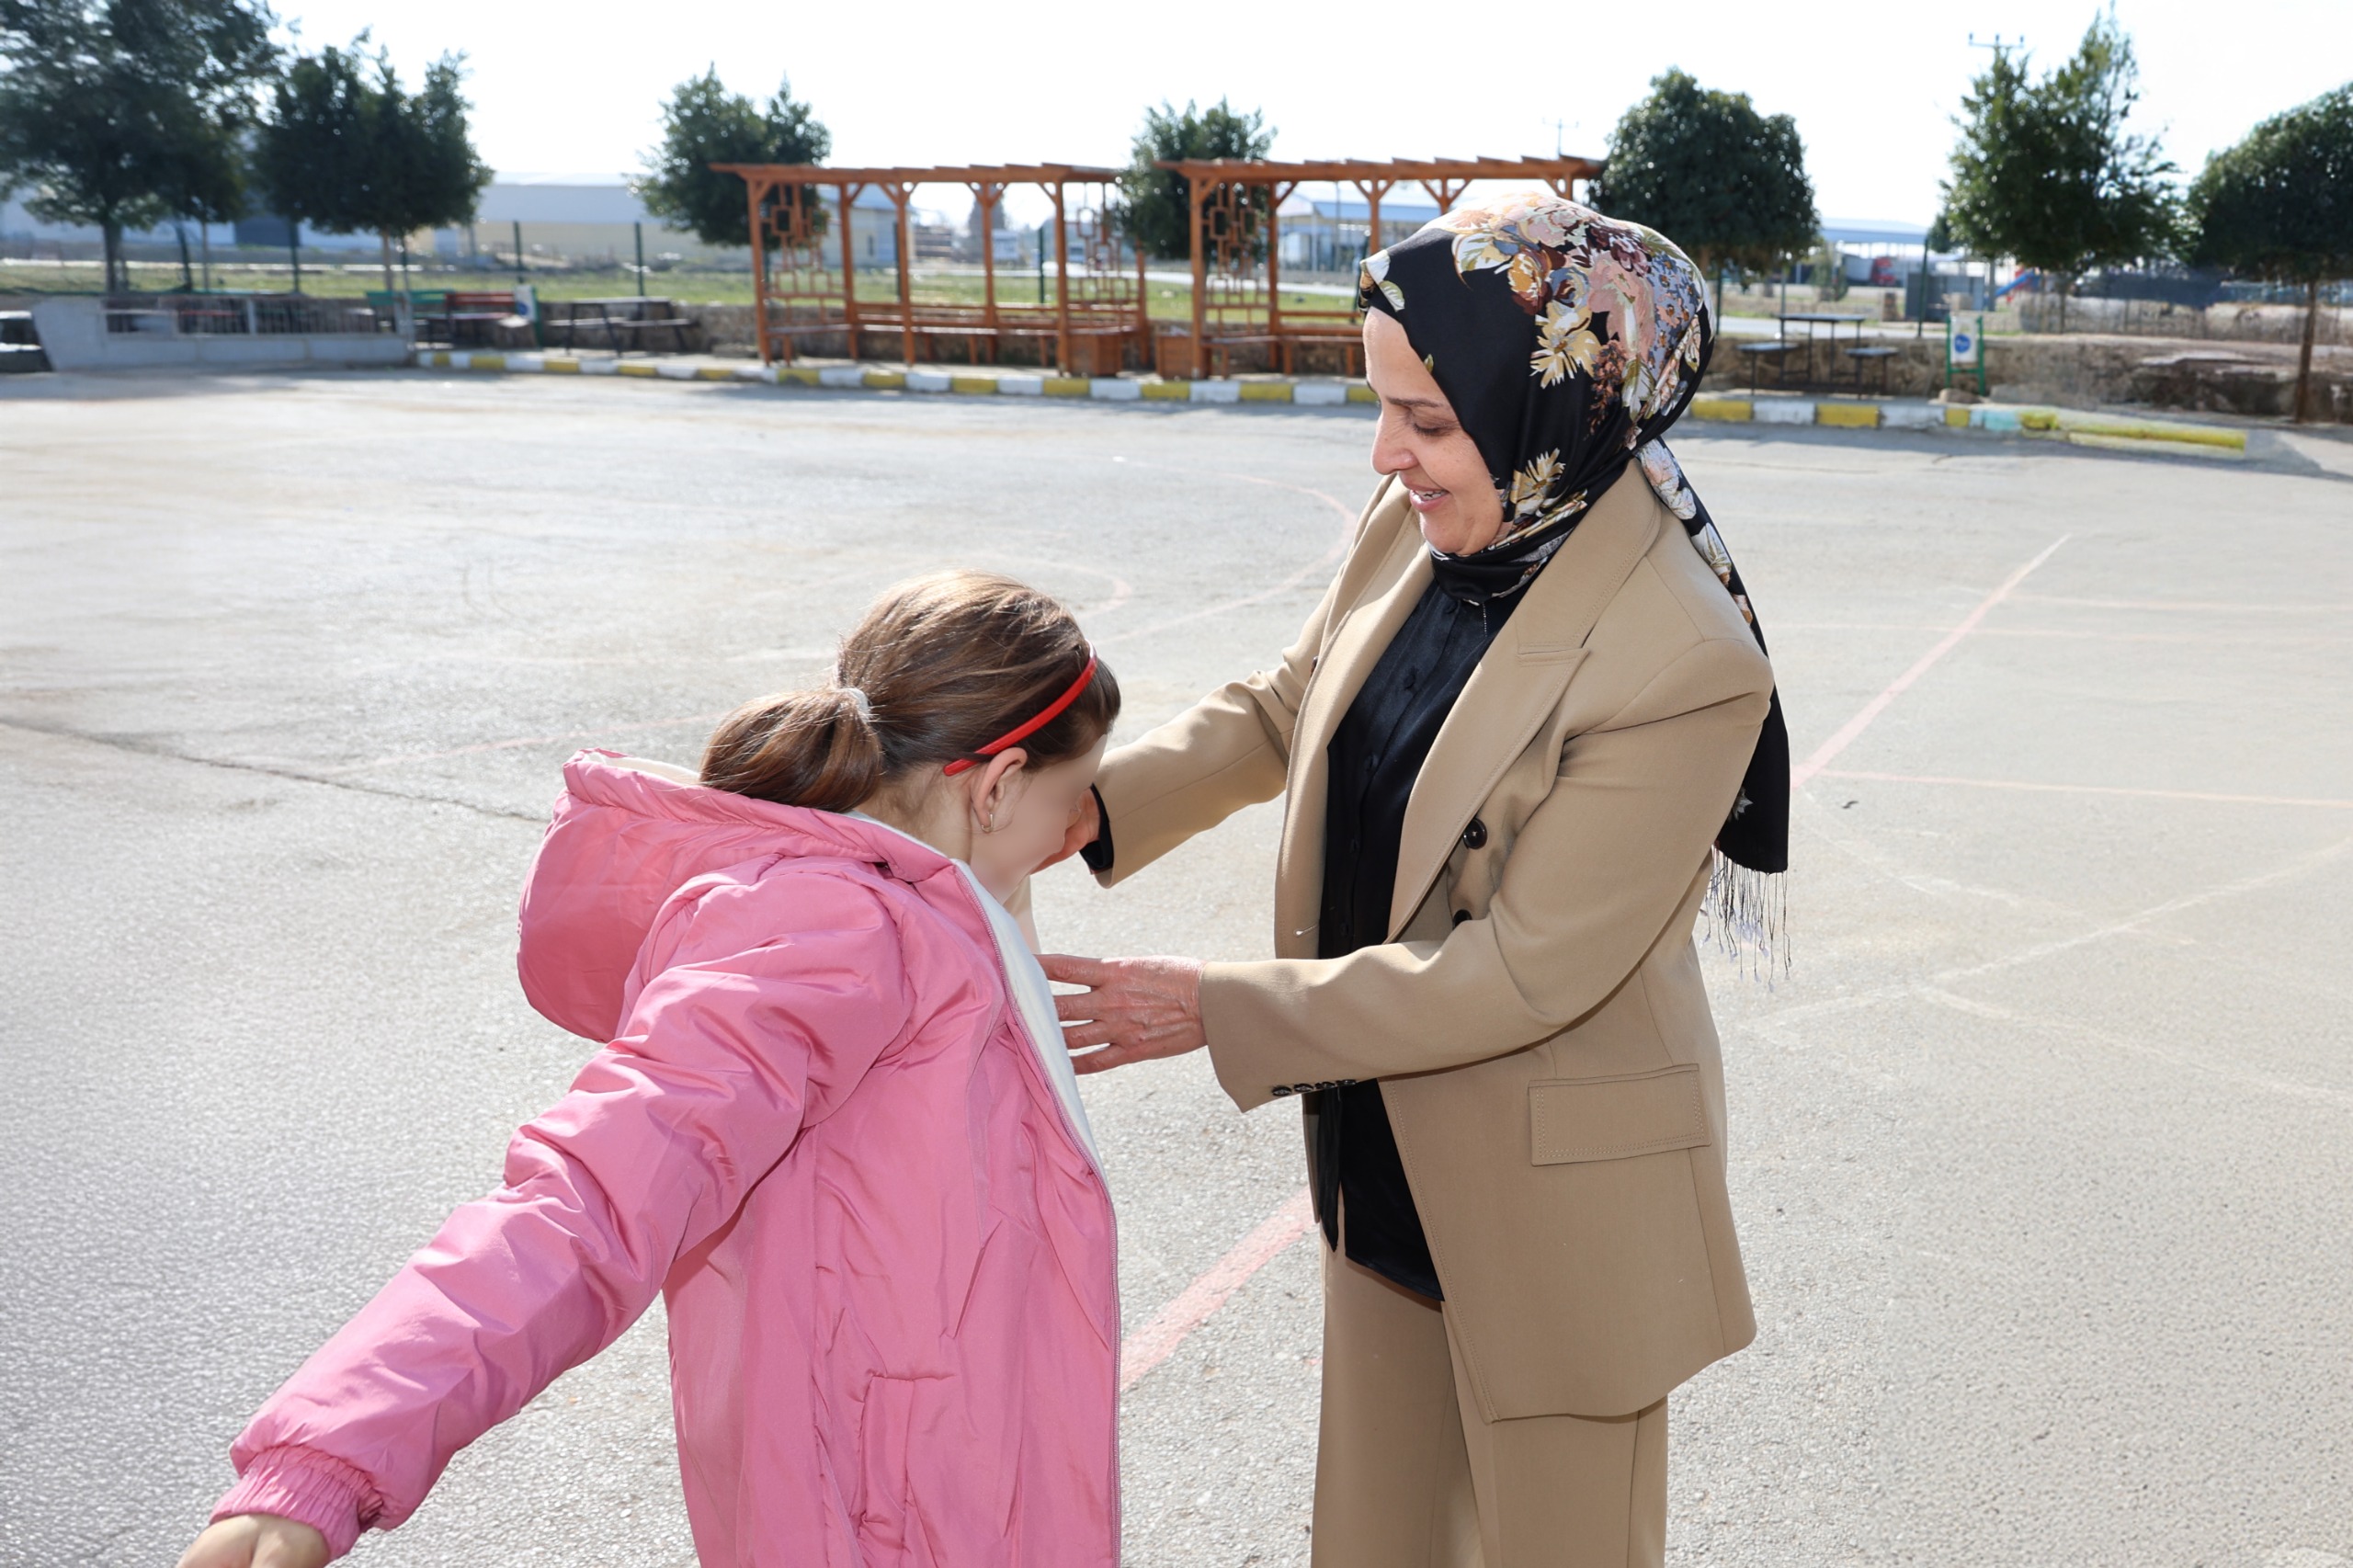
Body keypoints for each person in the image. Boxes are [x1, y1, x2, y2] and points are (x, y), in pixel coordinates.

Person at [1045, 194, 1790, 1568]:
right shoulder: (1430, 518)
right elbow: (1291, 702)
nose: (1386, 455)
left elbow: (1523, 971)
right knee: (1374, 1541)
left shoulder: (1684, 658)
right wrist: (1089, 809)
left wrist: (1214, 1005)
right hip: (1384, 1156)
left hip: (1555, 1209)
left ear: (1539, 405)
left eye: (1426, 420)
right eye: (1381, 408)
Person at [176, 571, 1123, 1568]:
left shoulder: (912, 908)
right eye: (1073, 797)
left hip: (949, 1474)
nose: (1076, 832)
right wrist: (328, 1457)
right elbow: (595, 1195)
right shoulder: (838, 931)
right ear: (996, 784)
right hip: (887, 1512)